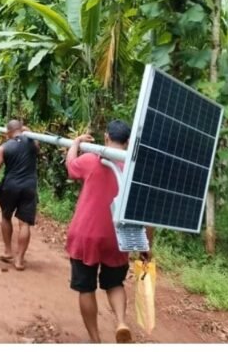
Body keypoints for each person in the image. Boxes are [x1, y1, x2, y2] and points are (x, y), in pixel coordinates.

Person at [65, 120, 139, 343]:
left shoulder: (90, 159)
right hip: (116, 236)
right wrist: (146, 247)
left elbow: (70, 167)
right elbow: (144, 216)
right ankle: (121, 322)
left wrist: (76, 142)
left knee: (86, 287)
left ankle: (96, 340)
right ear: (127, 142)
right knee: (115, 283)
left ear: (106, 137)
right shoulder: (133, 170)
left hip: (85, 234)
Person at [0, 119, 39, 271]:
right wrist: (28, 130)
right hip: (29, 187)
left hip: (10, 186)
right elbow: (37, 145)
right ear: (21, 129)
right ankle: (19, 260)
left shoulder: (4, 148)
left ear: (8, 132)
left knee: (6, 217)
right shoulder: (33, 143)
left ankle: (8, 251)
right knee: (25, 223)